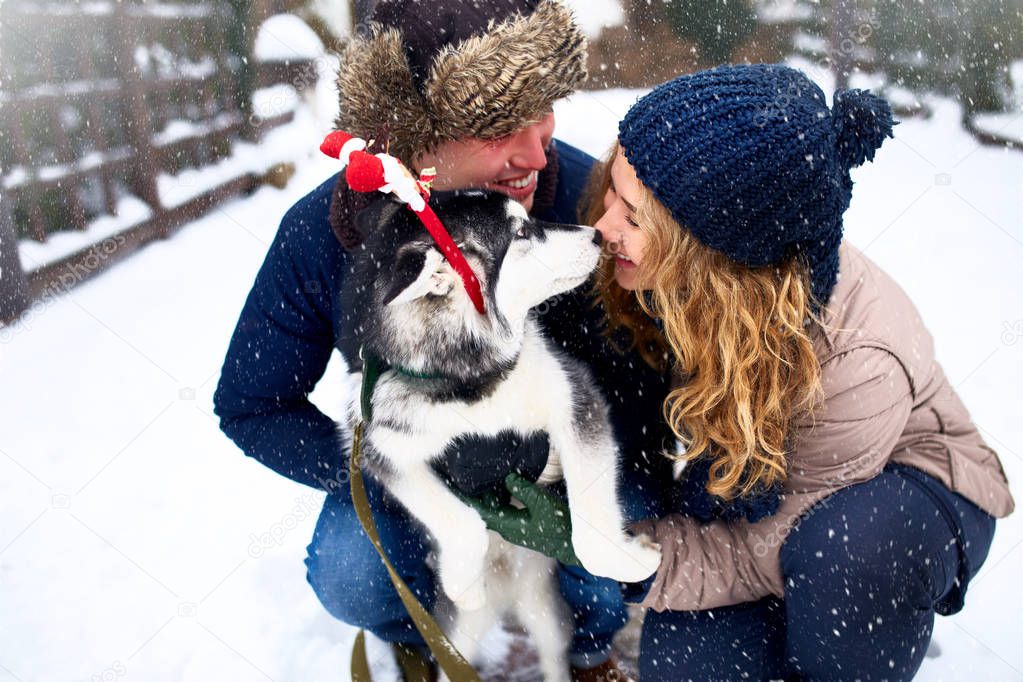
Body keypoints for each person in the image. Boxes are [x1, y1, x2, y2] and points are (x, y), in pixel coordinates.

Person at [474, 64, 1015, 680]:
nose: (603, 227)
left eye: (634, 215)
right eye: (613, 193)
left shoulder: (857, 361)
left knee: (845, 558)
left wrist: (619, 552)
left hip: (905, 497)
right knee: (685, 663)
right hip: (771, 497)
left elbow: (774, 546)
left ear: (708, 252)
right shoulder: (686, 290)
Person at [213, 1, 676, 678]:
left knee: (620, 536)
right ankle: (420, 632)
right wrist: (407, 471)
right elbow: (251, 405)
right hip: (419, 466)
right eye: (497, 127)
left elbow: (656, 377)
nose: (535, 148)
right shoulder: (319, 237)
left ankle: (586, 651)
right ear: (406, 136)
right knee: (350, 571)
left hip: (564, 455)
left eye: (542, 107)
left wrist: (557, 460)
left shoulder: (584, 202)